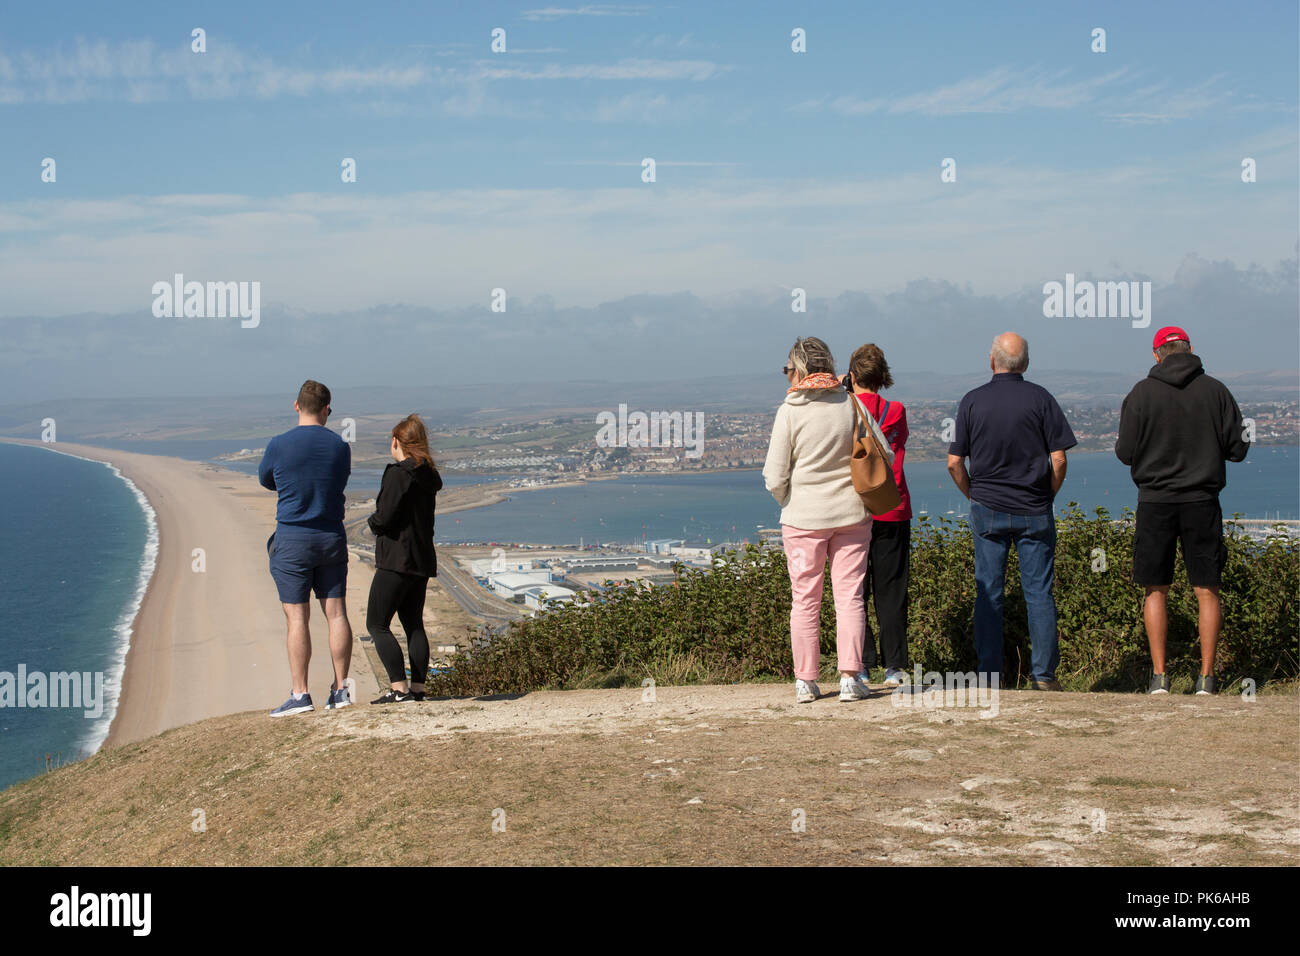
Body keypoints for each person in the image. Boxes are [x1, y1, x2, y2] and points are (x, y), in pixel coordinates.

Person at [1115, 326, 1248, 695]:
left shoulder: (1140, 394)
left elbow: (1125, 452)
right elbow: (1238, 449)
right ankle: (1207, 678)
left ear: (1156, 354)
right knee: (1207, 590)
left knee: (1155, 590)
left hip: (1155, 501)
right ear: (1191, 350)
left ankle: (1160, 678)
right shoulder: (1217, 391)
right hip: (1202, 500)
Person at [946, 333, 1076, 691]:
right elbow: (1060, 458)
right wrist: (1047, 494)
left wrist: (974, 494)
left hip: (987, 508)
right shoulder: (1041, 398)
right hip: (1035, 507)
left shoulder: (972, 401)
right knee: (1039, 592)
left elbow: (955, 462)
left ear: (992, 361)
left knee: (989, 591)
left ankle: (989, 675)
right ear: (1027, 363)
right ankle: (1044, 676)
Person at [763, 336, 880, 704]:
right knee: (849, 597)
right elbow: (884, 453)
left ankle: (806, 681)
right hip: (852, 515)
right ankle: (850, 676)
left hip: (803, 518)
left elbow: (774, 475)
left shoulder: (790, 411)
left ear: (797, 371)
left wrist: (791, 501)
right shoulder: (852, 404)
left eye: (787, 370)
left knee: (805, 599)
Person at [259, 380, 354, 716]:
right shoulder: (340, 446)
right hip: (330, 535)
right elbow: (340, 480)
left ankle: (300, 694)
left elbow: (266, 479)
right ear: (326, 409)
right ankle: (340, 689)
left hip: (293, 537)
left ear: (296, 406)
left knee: (297, 617)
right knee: (337, 612)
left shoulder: (279, 444)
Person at [366, 414, 443, 704]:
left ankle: (399, 689)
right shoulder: (429, 476)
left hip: (396, 559)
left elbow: (385, 516)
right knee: (413, 624)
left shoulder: (399, 473)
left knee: (377, 624)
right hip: (421, 560)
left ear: (397, 442)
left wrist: (373, 524)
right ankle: (418, 688)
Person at [848, 343, 912, 687]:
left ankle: (861, 663)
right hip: (894, 507)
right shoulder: (896, 410)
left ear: (852, 375)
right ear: (882, 376)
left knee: (854, 591)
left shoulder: (846, 410)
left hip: (856, 510)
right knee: (892, 591)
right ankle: (895, 666)